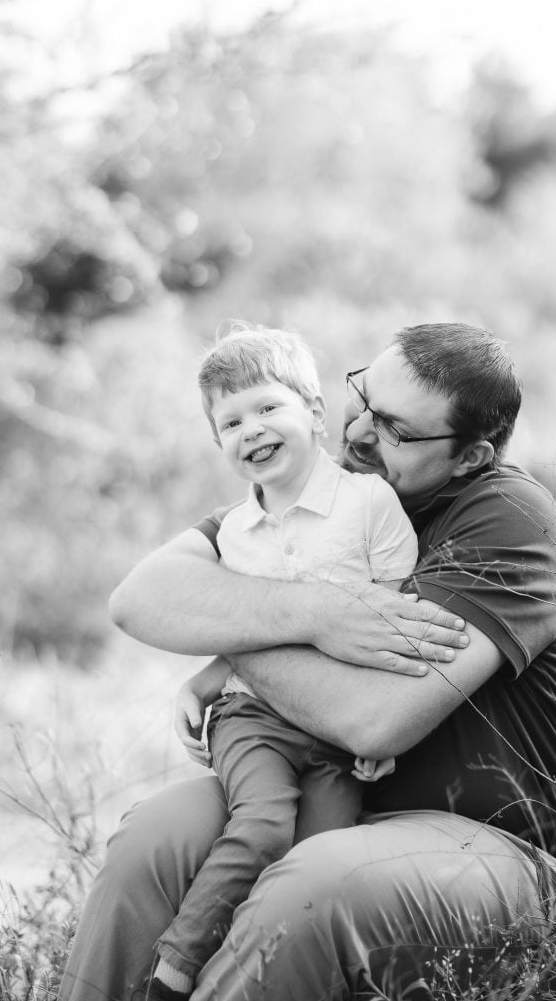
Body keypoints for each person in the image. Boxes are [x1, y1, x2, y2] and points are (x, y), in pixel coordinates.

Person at [60, 323, 556, 1001]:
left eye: (394, 429)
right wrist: (316, 614)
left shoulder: (504, 515)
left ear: (469, 456)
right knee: (152, 838)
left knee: (314, 886)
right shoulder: (327, 492)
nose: (357, 432)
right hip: (350, 801)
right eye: (360, 398)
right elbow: (143, 598)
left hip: (515, 852)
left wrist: (239, 626)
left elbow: (373, 721)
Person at [150, 324, 419, 999]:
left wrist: (383, 731)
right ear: (219, 443)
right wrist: (207, 676)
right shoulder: (232, 534)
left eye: (269, 407)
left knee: (317, 863)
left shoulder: (367, 504)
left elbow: (395, 616)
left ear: (316, 414)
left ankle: (256, 977)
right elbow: (243, 629)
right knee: (263, 822)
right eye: (231, 421)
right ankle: (172, 972)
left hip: (336, 727)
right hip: (251, 716)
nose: (252, 430)